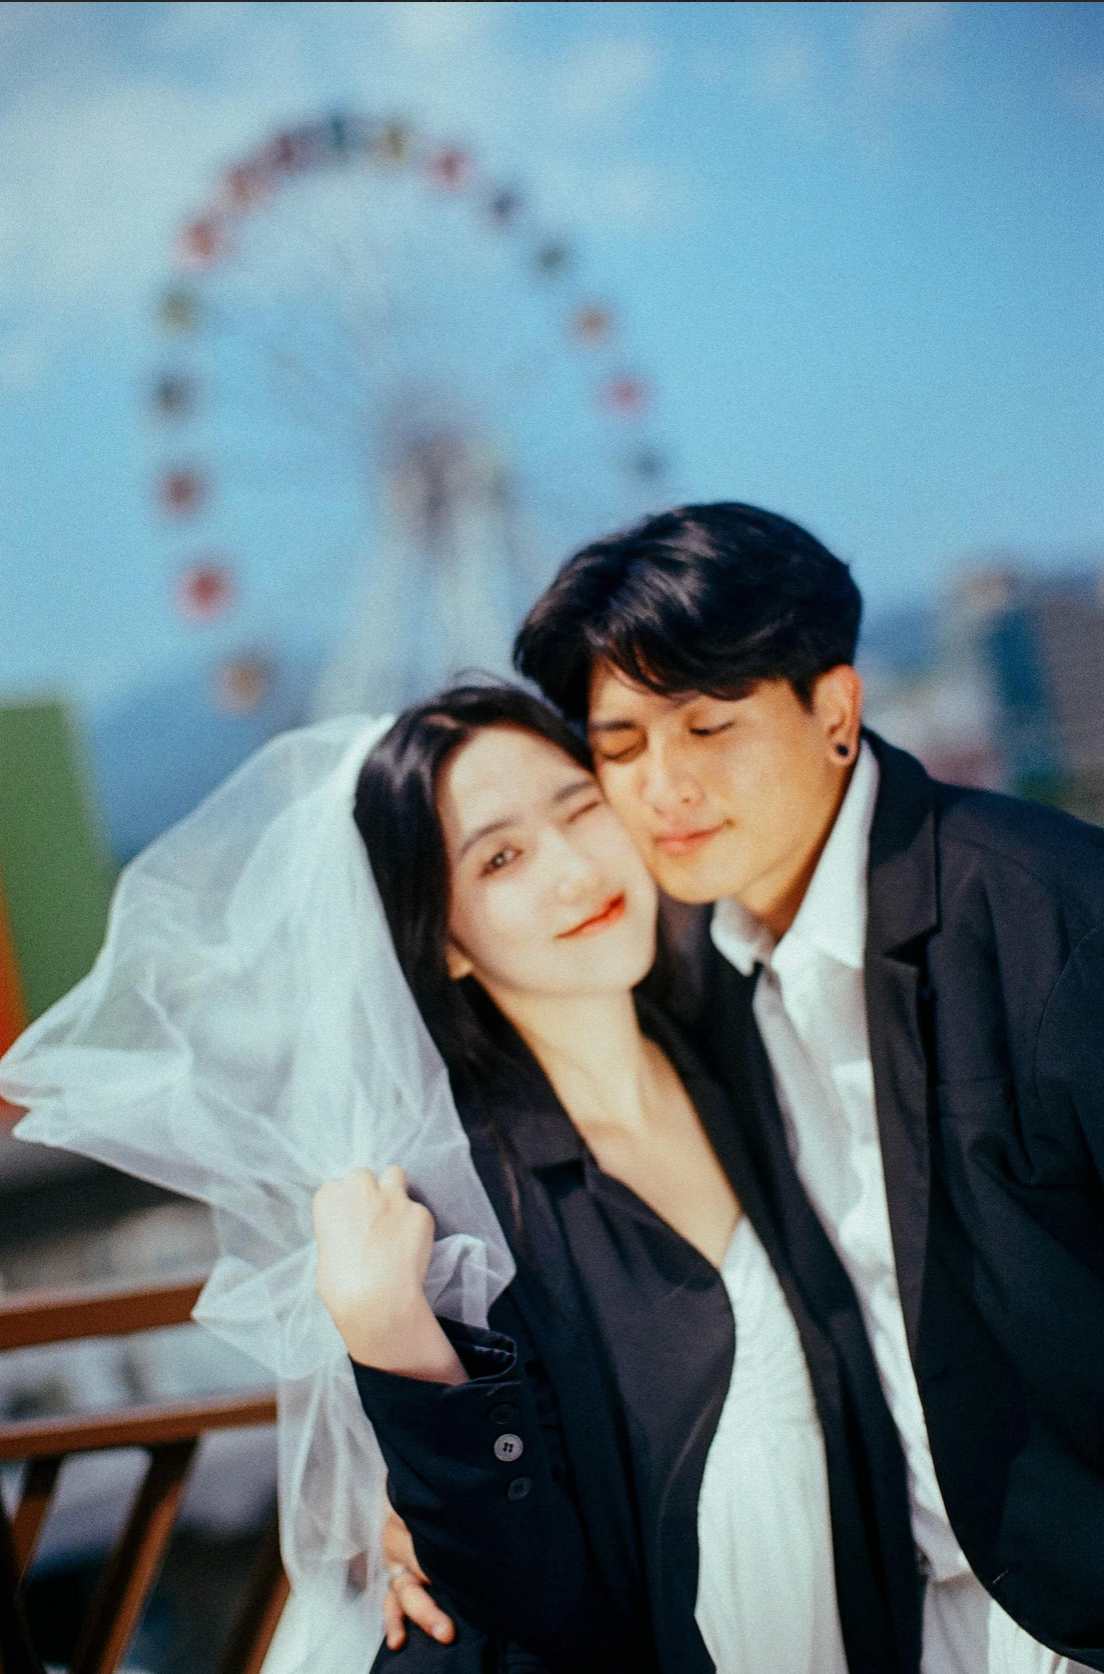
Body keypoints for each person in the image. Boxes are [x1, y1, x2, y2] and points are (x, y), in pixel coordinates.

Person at [494, 501, 1102, 1674]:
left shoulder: (1050, 919)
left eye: (707, 726)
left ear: (834, 710)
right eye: (620, 746)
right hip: (905, 1620)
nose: (662, 786)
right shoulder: (694, 976)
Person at [312, 683, 919, 1674]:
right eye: (501, 858)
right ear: (444, 941)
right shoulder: (465, 1205)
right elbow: (528, 1599)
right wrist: (393, 1343)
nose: (575, 870)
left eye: (581, 808)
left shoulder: (738, 1044)